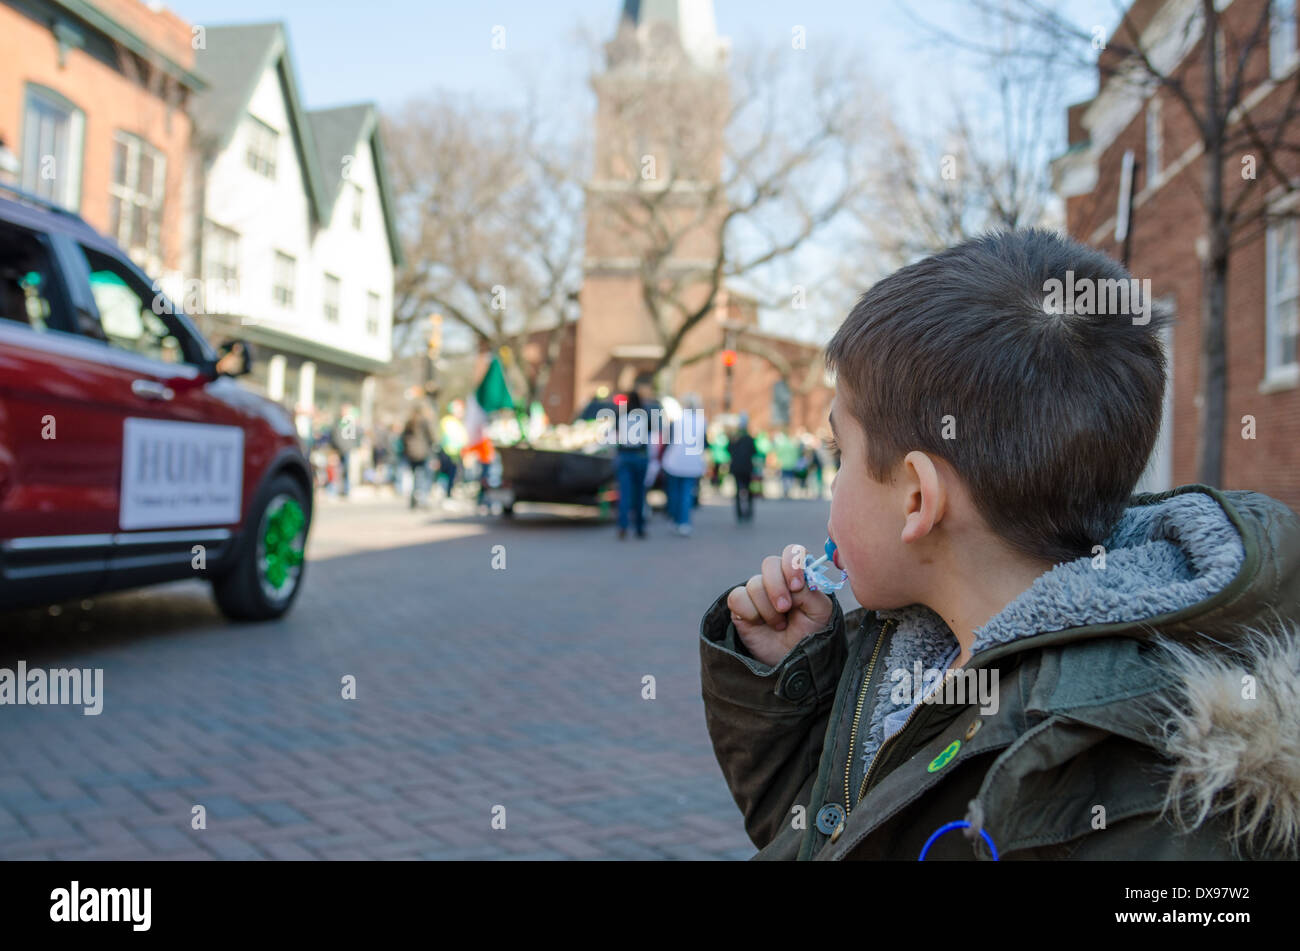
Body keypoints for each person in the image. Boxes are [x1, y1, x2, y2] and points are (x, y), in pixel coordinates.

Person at [697, 229, 1300, 860]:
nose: (833, 478)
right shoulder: (912, 657)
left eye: (838, 453)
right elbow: (835, 837)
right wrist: (793, 688)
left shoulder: (1143, 791)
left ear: (917, 500)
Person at [614, 377, 655, 539]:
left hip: (625, 456)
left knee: (624, 493)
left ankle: (623, 526)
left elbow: (616, 434)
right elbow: (650, 435)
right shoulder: (645, 416)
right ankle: (639, 527)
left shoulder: (622, 416)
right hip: (640, 456)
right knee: (639, 493)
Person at [661, 396, 706, 537]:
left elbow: (668, 440)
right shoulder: (702, 422)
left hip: (674, 462)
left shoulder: (678, 421)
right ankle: (684, 522)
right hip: (692, 463)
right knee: (686, 494)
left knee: (674, 493)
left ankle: (675, 519)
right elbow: (704, 443)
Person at [401, 406, 435, 509]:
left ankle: (414, 497)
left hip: (411, 452)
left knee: (415, 475)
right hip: (422, 451)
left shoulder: (409, 422)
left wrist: (407, 448)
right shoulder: (424, 421)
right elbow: (431, 436)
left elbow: (402, 437)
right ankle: (422, 498)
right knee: (424, 475)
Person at [728, 414, 758, 523]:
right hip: (746, 467)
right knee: (748, 489)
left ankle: (739, 513)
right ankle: (748, 511)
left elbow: (729, 449)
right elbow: (754, 451)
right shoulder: (749, 438)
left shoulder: (734, 438)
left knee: (738, 490)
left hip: (736, 467)